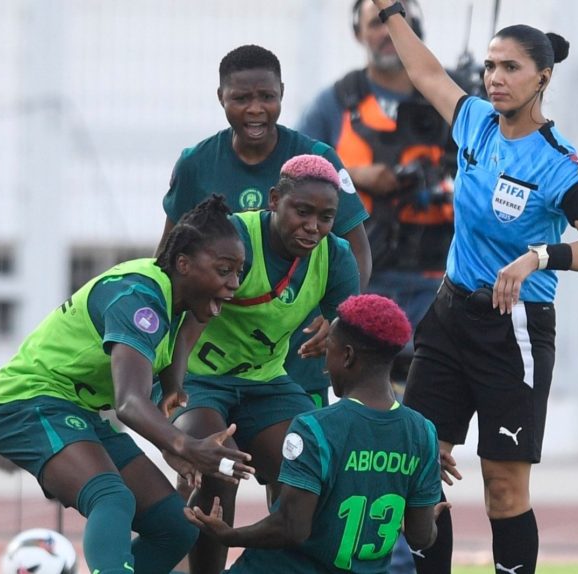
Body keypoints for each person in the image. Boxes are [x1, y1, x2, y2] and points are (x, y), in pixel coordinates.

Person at [369, 3, 578, 573]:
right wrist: (390, 12)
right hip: (449, 318)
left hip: (514, 332)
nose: (494, 78)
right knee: (416, 469)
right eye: (490, 66)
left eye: (510, 67)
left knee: (503, 490)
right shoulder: (475, 122)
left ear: (543, 77)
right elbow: (426, 72)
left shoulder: (561, 166)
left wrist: (538, 257)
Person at [0, 196, 256, 574]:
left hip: (77, 410)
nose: (234, 284)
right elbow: (129, 402)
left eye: (239, 272)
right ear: (183, 264)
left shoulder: (178, 305)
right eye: (224, 270)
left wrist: (174, 440)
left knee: (174, 527)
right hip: (25, 403)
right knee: (111, 497)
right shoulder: (139, 299)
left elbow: (157, 388)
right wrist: (186, 445)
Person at [173, 154, 361, 574]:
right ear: (275, 200)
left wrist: (387, 428)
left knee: (312, 467)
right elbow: (185, 310)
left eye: (326, 218)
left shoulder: (335, 256)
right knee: (220, 463)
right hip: (197, 378)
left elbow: (355, 344)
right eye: (302, 212)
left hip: (266, 383)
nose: (312, 227)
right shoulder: (235, 237)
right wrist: (171, 387)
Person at [159, 44, 372, 412]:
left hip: (297, 355)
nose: (255, 109)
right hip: (211, 361)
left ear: (282, 94)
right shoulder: (196, 163)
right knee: (208, 443)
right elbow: (167, 257)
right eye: (241, 98)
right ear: (221, 97)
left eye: (267, 97)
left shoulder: (317, 159)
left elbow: (357, 250)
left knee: (298, 447)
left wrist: (341, 316)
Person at [185, 294, 448, 574]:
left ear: (347, 356)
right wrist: (426, 522)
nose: (324, 365)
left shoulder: (315, 428)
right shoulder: (423, 433)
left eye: (329, 349)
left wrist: (230, 535)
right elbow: (422, 537)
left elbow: (292, 528)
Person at [298, 0, 454, 382]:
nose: (386, 32)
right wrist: (354, 176)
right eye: (375, 23)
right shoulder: (336, 103)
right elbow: (293, 174)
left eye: (395, 21)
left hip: (442, 283)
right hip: (363, 279)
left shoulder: (451, 96)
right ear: (358, 33)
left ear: (415, 27)